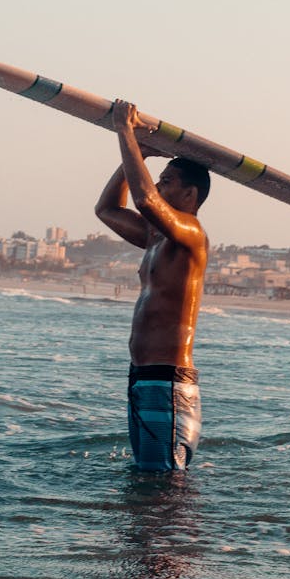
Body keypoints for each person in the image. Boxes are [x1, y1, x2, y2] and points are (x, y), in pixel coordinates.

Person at [95, 100, 210, 472]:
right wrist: (139, 152)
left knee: (166, 488)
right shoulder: (155, 237)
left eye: (168, 181)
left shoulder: (191, 234)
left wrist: (125, 133)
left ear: (190, 195)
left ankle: (177, 534)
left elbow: (144, 200)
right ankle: (143, 535)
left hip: (168, 382)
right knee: (148, 480)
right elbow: (107, 209)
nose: (158, 186)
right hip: (143, 377)